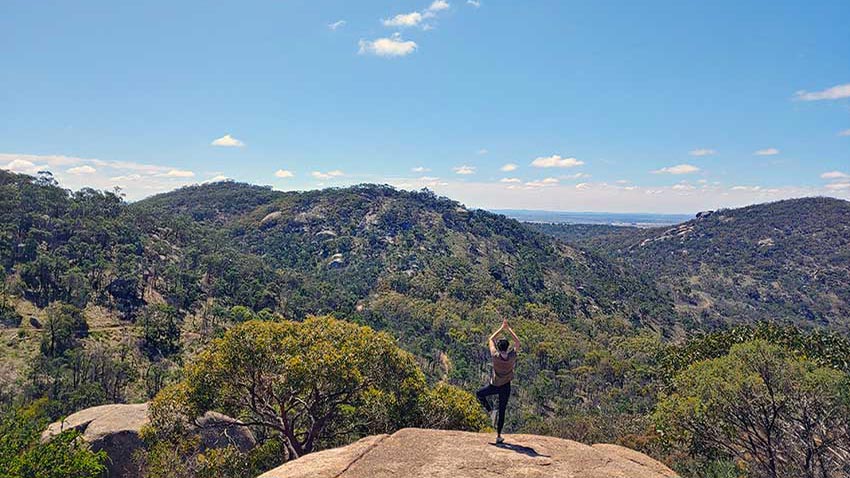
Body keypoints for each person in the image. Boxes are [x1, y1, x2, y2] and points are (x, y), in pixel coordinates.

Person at [476, 318, 519, 444]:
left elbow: (490, 339)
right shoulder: (512, 357)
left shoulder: (495, 356)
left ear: (499, 348)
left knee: (479, 394)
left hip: (494, 385)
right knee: (502, 410)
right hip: (506, 386)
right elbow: (517, 342)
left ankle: (490, 411)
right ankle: (499, 435)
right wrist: (509, 328)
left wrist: (501, 328)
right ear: (507, 348)